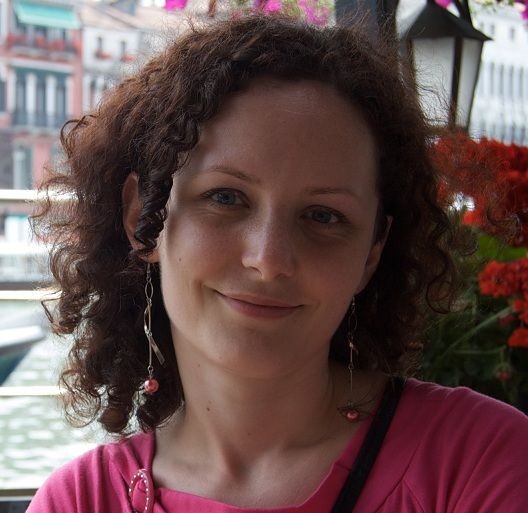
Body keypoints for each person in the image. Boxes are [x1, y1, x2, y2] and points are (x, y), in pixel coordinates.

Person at [28, 12, 527, 513]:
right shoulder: (79, 502)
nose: (268, 259)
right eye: (226, 197)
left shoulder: (483, 463)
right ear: (143, 218)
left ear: (372, 251)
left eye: (323, 215)